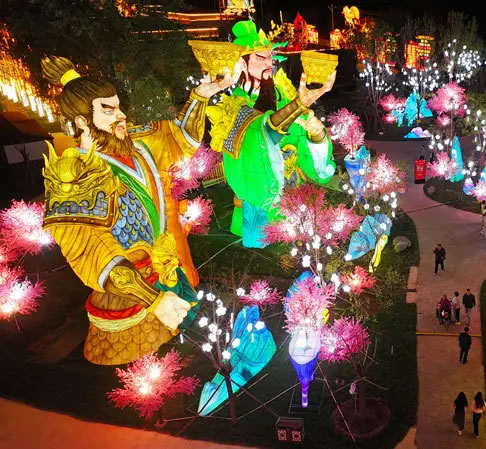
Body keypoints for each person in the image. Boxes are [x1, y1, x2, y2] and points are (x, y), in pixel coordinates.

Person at [39, 55, 229, 365]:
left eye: (119, 107)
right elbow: (94, 253)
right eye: (108, 110)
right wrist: (153, 300)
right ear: (81, 122)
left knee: (176, 355)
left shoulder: (138, 146)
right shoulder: (74, 178)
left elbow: (179, 138)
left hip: (165, 273)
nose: (121, 115)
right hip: (127, 294)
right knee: (140, 369)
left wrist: (200, 96)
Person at [206, 20, 337, 248]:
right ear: (242, 63)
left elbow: (301, 141)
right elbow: (260, 133)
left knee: (301, 249)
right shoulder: (231, 108)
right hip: (259, 208)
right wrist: (297, 106)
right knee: (265, 248)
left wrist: (316, 135)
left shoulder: (284, 95)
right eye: (260, 58)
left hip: (295, 203)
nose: (269, 63)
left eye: (270, 57)